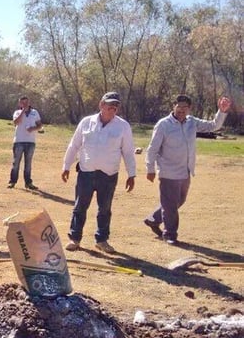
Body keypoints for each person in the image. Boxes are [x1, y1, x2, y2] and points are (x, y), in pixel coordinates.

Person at [144, 94, 232, 245]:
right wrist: (150, 168)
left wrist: (222, 111)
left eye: (185, 107)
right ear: (173, 106)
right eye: (179, 106)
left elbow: (213, 126)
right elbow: (152, 149)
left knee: (179, 200)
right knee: (171, 204)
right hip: (168, 171)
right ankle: (170, 234)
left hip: (185, 171)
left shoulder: (192, 122)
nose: (181, 110)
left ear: (189, 109)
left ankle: (154, 219)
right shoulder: (163, 124)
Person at [61, 91, 136, 254]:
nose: (112, 109)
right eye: (109, 106)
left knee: (105, 209)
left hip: (108, 175)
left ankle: (102, 240)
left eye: (115, 107)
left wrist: (132, 174)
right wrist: (66, 166)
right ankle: (75, 238)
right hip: (86, 173)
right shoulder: (86, 123)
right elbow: (74, 145)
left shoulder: (123, 126)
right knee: (80, 206)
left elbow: (128, 151)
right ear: (101, 105)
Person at [8, 96, 43, 190]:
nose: (24, 104)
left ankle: (28, 183)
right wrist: (23, 111)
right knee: (16, 163)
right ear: (19, 104)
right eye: (22, 103)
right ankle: (12, 181)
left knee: (28, 164)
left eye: (26, 102)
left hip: (31, 142)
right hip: (19, 141)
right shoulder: (17, 112)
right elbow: (16, 122)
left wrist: (33, 128)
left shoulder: (35, 113)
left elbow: (40, 125)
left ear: (29, 103)